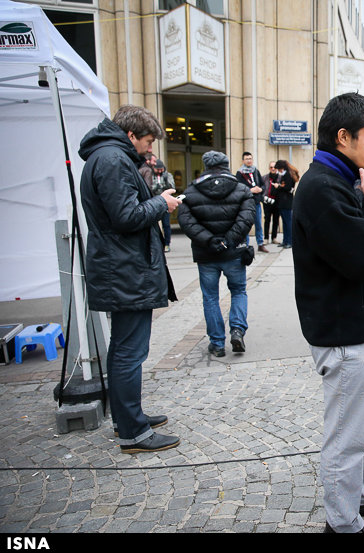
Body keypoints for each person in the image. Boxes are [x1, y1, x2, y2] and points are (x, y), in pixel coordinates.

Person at [292, 92, 364, 533]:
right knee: (346, 436)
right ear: (343, 137)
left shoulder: (347, 177)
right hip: (343, 335)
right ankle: (343, 524)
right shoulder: (322, 186)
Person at [78, 104, 181, 454]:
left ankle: (128, 418)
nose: (151, 149)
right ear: (131, 135)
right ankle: (133, 433)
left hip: (121, 268)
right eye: (149, 141)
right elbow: (126, 215)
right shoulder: (112, 159)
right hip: (124, 270)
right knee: (128, 353)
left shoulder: (108, 156)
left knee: (124, 349)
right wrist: (161, 204)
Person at [178, 151, 255, 357]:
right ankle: (237, 330)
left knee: (210, 297)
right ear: (227, 165)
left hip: (206, 254)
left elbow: (186, 222)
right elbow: (247, 218)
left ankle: (217, 342)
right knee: (238, 291)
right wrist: (228, 240)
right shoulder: (241, 189)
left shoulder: (191, 191)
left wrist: (209, 240)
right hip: (234, 252)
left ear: (205, 166)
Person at [236, 151, 267, 252]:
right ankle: (245, 244)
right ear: (243, 160)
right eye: (247, 159)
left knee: (258, 223)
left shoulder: (255, 171)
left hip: (256, 202)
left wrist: (260, 189)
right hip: (246, 203)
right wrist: (250, 190)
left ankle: (260, 243)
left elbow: (263, 184)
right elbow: (238, 188)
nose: (249, 161)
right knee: (246, 223)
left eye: (250, 158)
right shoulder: (240, 173)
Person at [152, 159, 176, 252]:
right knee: (154, 225)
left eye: (161, 169)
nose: (159, 171)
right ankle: (157, 243)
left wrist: (164, 184)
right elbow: (150, 186)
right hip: (154, 201)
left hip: (165, 202)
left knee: (166, 224)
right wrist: (155, 187)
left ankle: (167, 243)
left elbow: (172, 187)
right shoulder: (151, 175)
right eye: (157, 169)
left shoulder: (167, 175)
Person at [274, 159, 298, 248]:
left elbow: (287, 187)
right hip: (283, 202)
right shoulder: (285, 175)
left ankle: (290, 242)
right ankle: (285, 241)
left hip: (286, 202)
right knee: (284, 222)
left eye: (279, 169)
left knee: (288, 223)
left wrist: (278, 186)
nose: (278, 171)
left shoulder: (288, 175)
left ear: (282, 168)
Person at [264, 161, 281, 245]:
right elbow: (262, 188)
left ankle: (274, 237)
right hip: (267, 202)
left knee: (276, 220)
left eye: (274, 167)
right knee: (267, 219)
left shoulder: (280, 178)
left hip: (277, 202)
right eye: (271, 167)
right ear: (269, 168)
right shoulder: (265, 177)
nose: (273, 169)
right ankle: (266, 238)